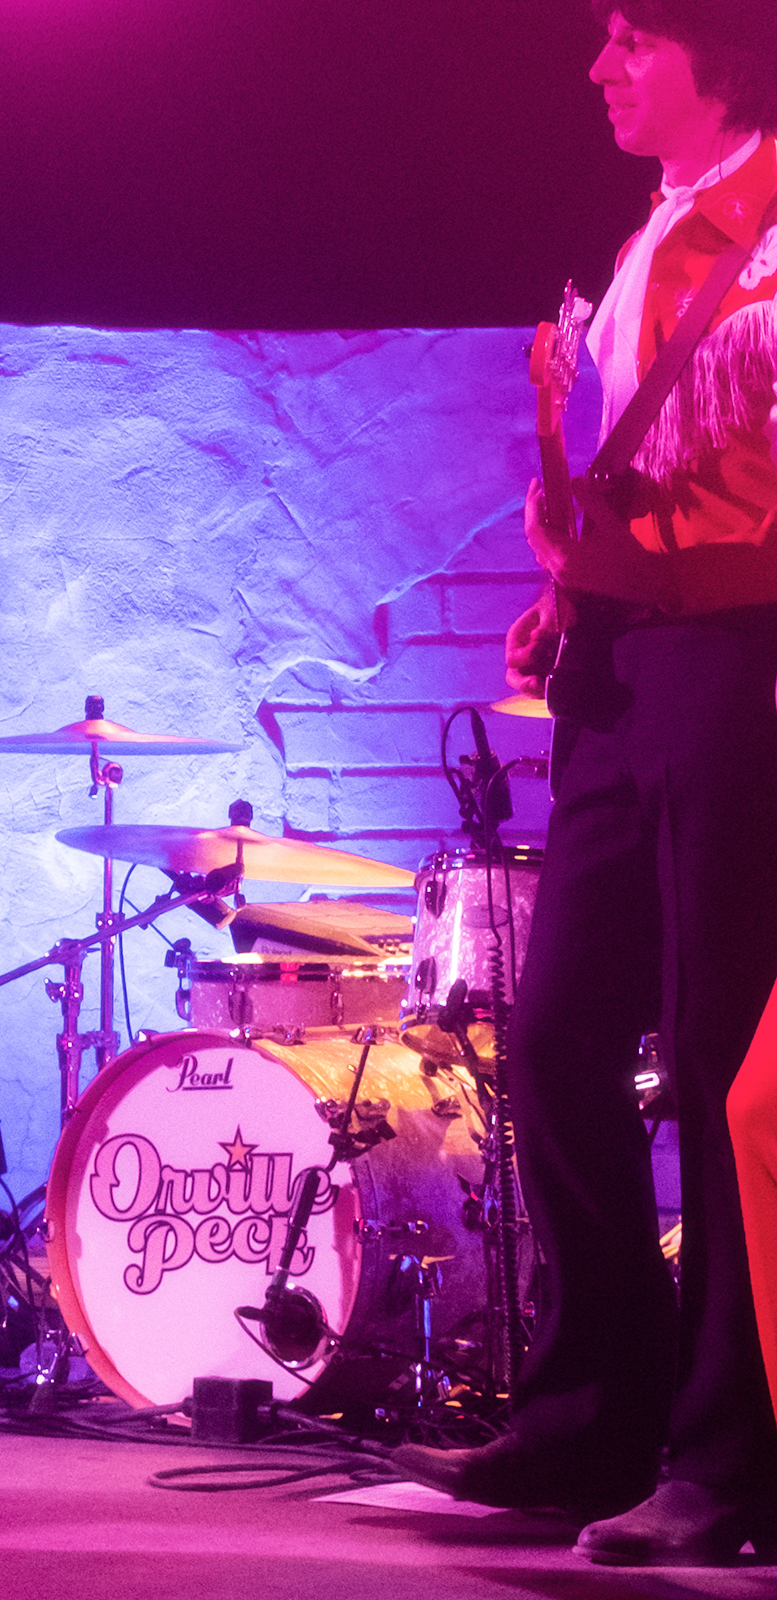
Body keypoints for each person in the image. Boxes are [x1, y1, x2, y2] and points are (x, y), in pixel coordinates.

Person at [392, 0, 777, 1565]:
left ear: (723, 55)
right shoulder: (660, 230)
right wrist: (583, 590)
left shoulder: (764, 225)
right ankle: (590, 1415)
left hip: (740, 654)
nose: (602, 67)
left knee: (716, 1062)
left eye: (634, 38)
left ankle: (732, 1454)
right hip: (628, 667)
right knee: (553, 1040)